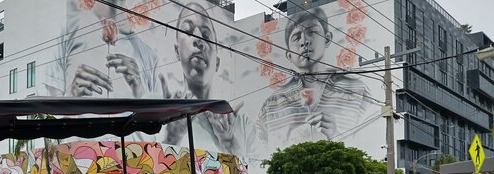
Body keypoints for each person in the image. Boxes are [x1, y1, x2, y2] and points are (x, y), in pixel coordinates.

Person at [256, 7, 373, 150]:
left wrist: (336, 135)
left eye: (312, 32)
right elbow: (261, 154)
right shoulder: (271, 104)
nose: (304, 41)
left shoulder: (358, 90)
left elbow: (371, 143)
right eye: (296, 37)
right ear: (289, 55)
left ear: (327, 38)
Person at [159, 2, 255, 157]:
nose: (199, 40)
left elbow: (258, 170)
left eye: (206, 35)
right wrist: (171, 137)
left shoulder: (242, 123)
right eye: (188, 30)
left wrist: (229, 141)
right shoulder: (156, 118)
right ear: (177, 51)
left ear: (217, 62)